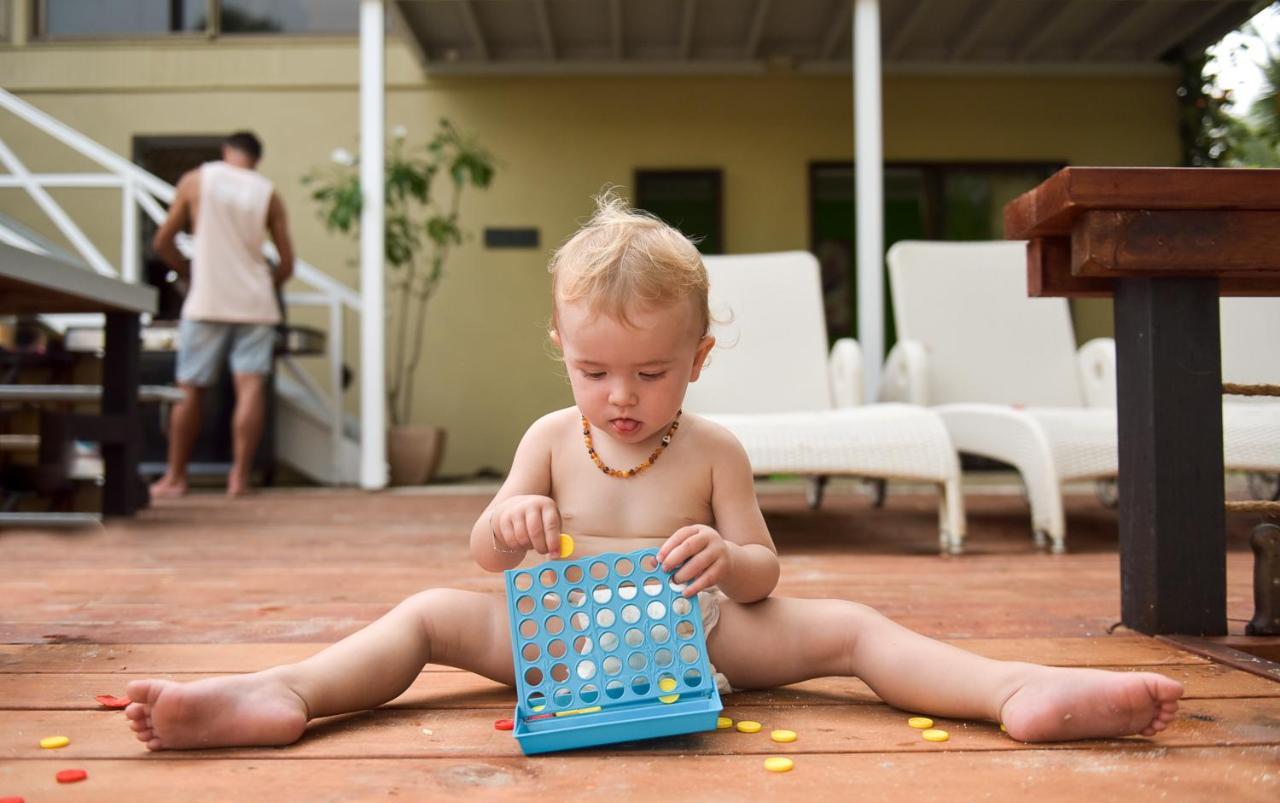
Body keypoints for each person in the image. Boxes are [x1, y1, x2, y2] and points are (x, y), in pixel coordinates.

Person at [122, 194, 1181, 751]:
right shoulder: (548, 433)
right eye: (592, 369)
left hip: (699, 629)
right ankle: (279, 690)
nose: (618, 396)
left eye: (649, 371)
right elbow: (483, 548)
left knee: (854, 627)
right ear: (561, 354)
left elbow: (764, 569)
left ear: (698, 360)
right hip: (558, 629)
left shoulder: (712, 448)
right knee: (423, 617)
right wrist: (516, 518)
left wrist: (727, 555)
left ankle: (1017, 689)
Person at [149, 131, 294, 499]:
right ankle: (239, 479)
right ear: (256, 159)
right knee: (250, 387)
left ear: (226, 151)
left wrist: (186, 271)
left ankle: (176, 478)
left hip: (208, 297)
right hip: (255, 303)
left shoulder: (197, 180)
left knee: (189, 388)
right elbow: (287, 263)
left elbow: (162, 241)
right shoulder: (268, 193)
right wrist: (264, 282)